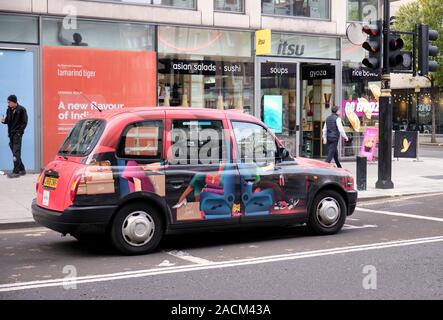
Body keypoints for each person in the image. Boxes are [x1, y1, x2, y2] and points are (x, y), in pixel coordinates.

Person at [1, 95, 28, 178]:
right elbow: (8, 121)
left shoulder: (21, 109)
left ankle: (16, 172)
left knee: (15, 152)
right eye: (8, 102)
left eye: (9, 102)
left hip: (17, 135)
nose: (8, 103)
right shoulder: (8, 110)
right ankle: (22, 170)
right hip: (11, 134)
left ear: (14, 102)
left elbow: (24, 122)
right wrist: (3, 121)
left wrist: (19, 132)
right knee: (15, 153)